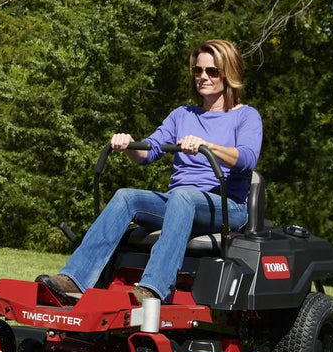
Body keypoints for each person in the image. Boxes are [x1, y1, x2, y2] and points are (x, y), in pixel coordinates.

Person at [37, 39, 263, 305]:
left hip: (226, 206)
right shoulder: (182, 115)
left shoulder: (246, 116)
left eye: (212, 71)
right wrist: (129, 144)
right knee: (126, 196)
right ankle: (74, 279)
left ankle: (156, 288)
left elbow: (247, 159)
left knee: (184, 197)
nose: (203, 77)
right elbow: (149, 152)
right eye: (198, 71)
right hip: (181, 203)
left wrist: (206, 146)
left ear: (229, 73)